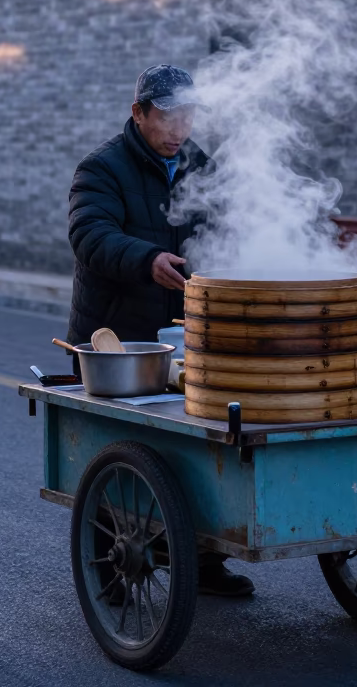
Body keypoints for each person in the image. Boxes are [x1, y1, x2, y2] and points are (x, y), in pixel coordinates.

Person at [67, 64, 254, 598]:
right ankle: (108, 569)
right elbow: (90, 234)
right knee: (120, 452)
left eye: (189, 116)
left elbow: (230, 222)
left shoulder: (199, 164)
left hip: (185, 335)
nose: (179, 129)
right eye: (167, 117)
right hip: (118, 339)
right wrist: (146, 258)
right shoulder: (101, 168)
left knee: (202, 447)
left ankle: (206, 563)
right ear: (139, 113)